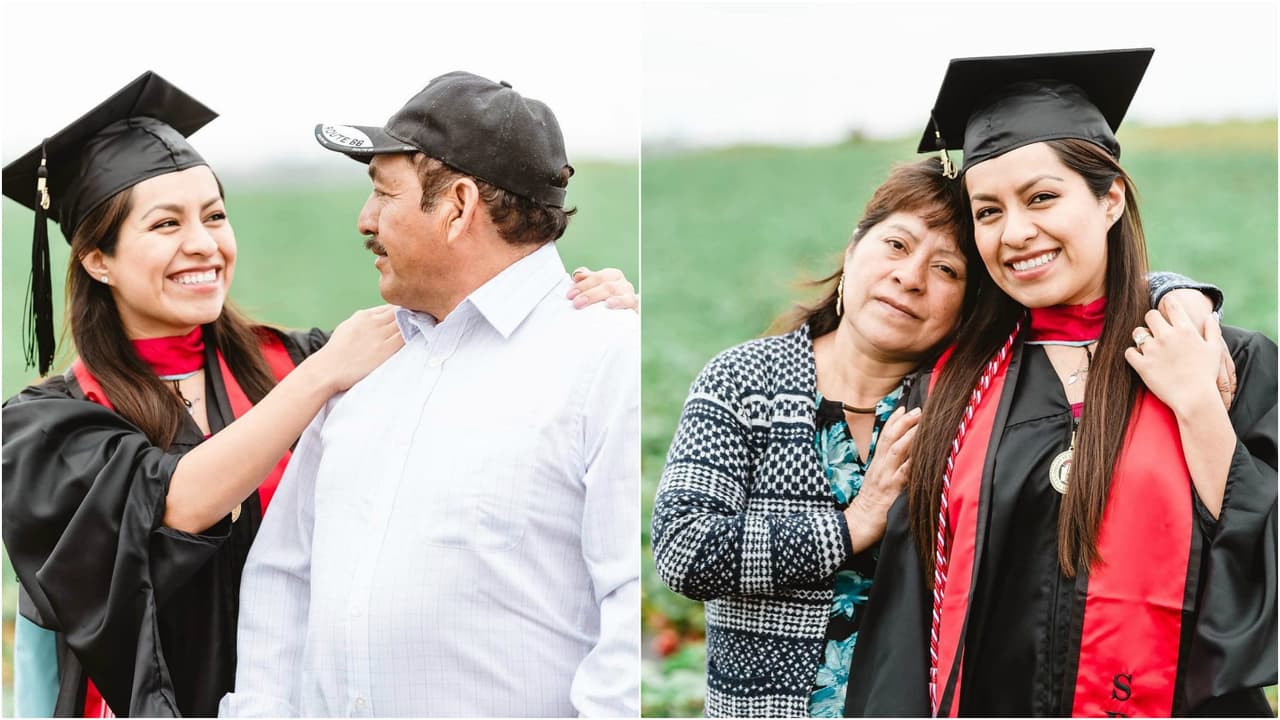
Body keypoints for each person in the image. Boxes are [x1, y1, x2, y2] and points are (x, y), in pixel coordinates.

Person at [0, 72, 634, 718]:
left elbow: (467, 341)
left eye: (215, 216)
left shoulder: (299, 363)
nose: (203, 243)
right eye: (165, 224)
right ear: (97, 259)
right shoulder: (47, 432)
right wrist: (322, 376)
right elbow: (174, 503)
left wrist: (581, 310)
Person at [650, 154, 1227, 716]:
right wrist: (852, 526)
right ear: (854, 249)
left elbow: (1081, 289)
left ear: (972, 303)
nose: (909, 278)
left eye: (947, 269)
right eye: (896, 246)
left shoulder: (972, 403)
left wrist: (1173, 291)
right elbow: (683, 551)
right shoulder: (746, 380)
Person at [844, 48, 1276, 717]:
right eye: (988, 212)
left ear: (1110, 198)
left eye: (1042, 197)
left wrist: (1197, 406)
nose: (1016, 232)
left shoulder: (1228, 362)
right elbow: (909, 626)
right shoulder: (953, 391)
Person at [221, 71, 640, 717]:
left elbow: (630, 606)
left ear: (458, 205)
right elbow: (285, 575)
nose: (366, 220)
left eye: (384, 194)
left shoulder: (605, 359)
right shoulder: (360, 364)